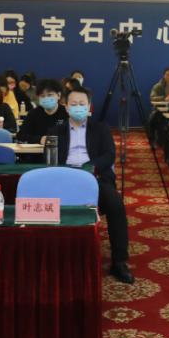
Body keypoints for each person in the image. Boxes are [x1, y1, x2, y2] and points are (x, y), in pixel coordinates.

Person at [46, 85, 134, 283]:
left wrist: (89, 168)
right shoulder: (56, 131)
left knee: (116, 205)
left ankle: (119, 262)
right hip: (65, 177)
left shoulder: (101, 128)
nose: (78, 107)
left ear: (89, 107)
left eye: (82, 104)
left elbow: (109, 155)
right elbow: (50, 160)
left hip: (95, 177)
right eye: (74, 104)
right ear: (66, 106)